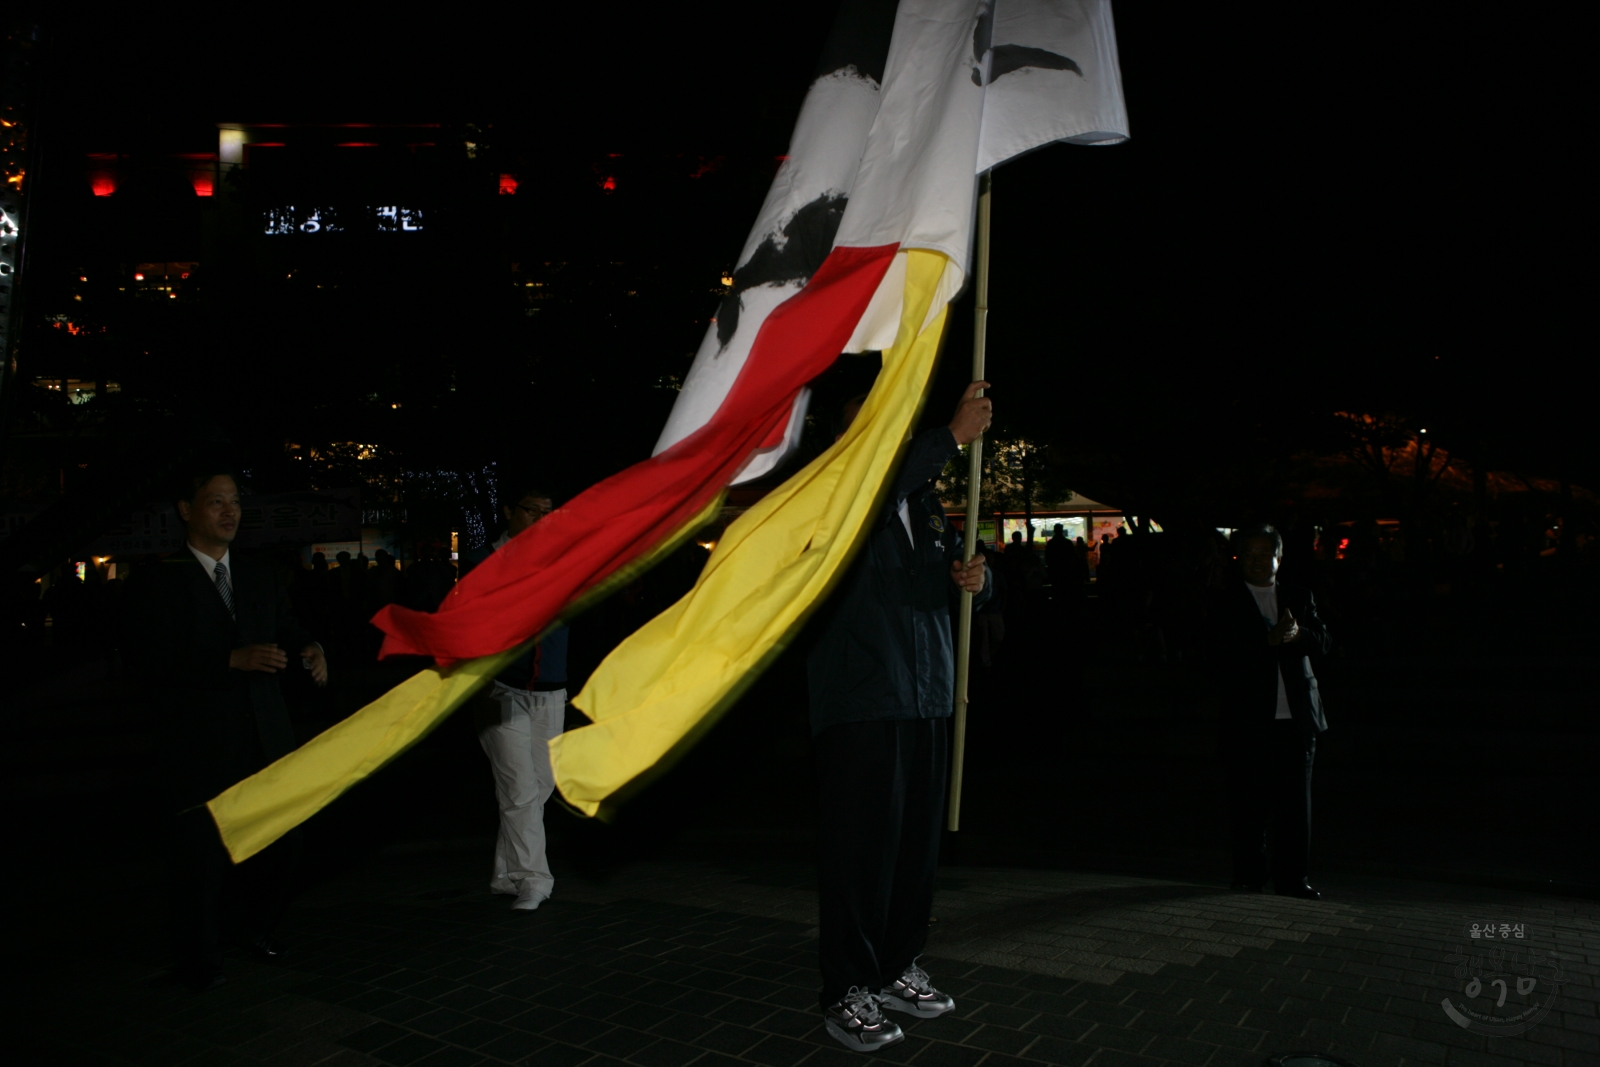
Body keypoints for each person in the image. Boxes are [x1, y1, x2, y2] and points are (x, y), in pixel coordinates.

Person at [807, 382, 992, 1052]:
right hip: (861, 699)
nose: (883, 435)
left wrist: (975, 577)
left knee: (916, 847)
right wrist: (947, 437)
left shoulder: (920, 497)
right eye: (866, 425)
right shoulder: (835, 488)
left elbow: (948, 571)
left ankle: (894, 967)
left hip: (928, 693)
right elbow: (862, 504)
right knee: (859, 850)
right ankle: (847, 989)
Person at [123, 468, 328, 990]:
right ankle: (198, 954)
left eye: (234, 502)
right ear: (186, 510)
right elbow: (150, 661)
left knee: (283, 841)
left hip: (266, 735)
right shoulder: (157, 581)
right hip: (199, 742)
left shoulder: (258, 575)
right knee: (200, 853)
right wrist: (229, 660)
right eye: (215, 502)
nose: (229, 512)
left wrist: (312, 648)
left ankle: (253, 927)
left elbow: (288, 627)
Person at [462, 484, 569, 912]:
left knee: (539, 785)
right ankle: (534, 879)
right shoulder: (479, 561)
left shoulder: (565, 559)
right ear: (509, 510)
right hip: (498, 690)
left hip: (551, 689)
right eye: (531, 510)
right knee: (520, 788)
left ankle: (506, 873)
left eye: (548, 512)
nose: (540, 520)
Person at [1209, 524, 1331, 900]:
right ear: (1238, 558)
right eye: (1249, 554)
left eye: (1265, 553)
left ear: (1279, 557)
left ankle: (1294, 879)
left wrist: (1299, 636)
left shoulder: (1297, 595)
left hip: (1296, 718)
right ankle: (1249, 875)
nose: (1258, 561)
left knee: (1296, 806)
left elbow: (1324, 641)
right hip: (1248, 719)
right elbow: (1217, 657)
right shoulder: (1224, 600)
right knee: (1249, 803)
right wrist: (1267, 642)